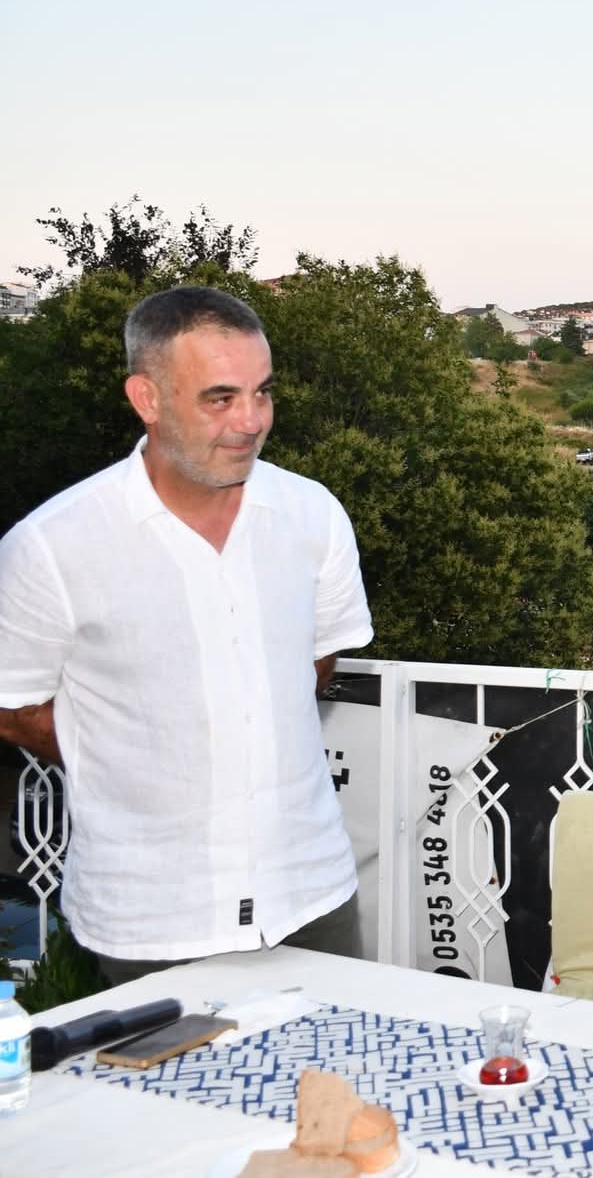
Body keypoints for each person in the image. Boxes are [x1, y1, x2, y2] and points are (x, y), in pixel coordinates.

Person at [0, 285, 373, 984]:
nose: (250, 421)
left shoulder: (313, 514)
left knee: (352, 1060)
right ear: (147, 398)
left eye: (262, 393)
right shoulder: (51, 546)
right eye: (220, 398)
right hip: (152, 917)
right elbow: (14, 708)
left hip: (312, 892)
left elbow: (317, 661)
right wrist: (130, 758)